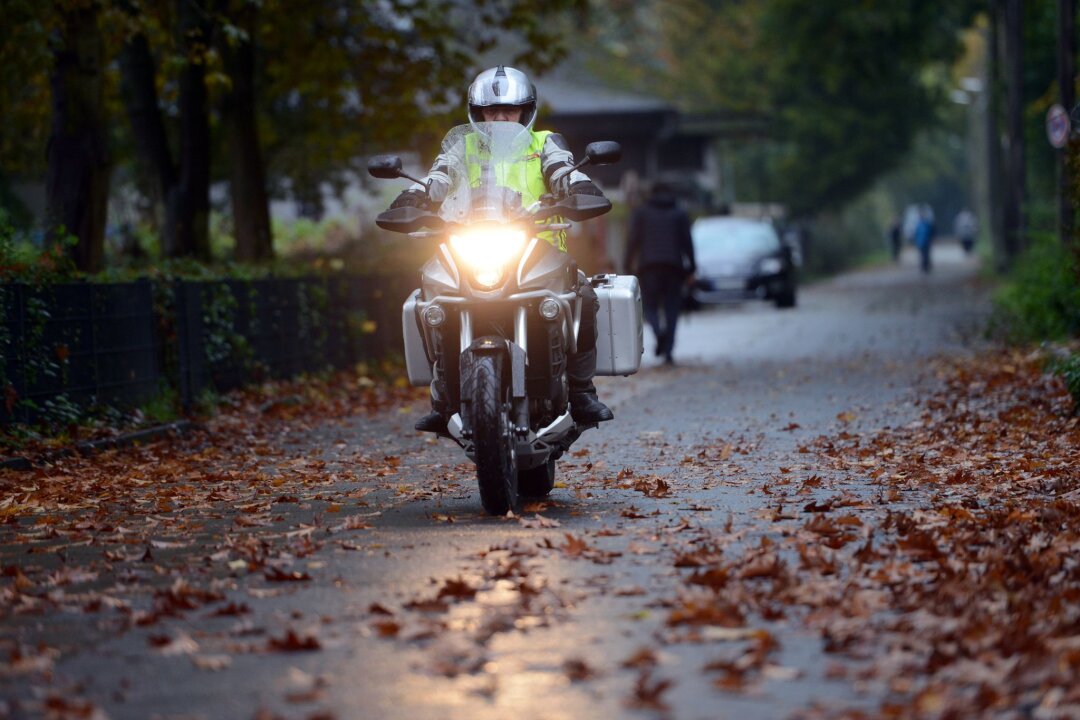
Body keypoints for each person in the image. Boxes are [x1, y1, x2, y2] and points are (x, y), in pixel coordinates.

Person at [388, 65, 614, 433]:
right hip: (470, 243)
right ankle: (443, 395)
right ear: (477, 115)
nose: (500, 118)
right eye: (491, 111)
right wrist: (414, 196)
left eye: (509, 110)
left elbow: (564, 171)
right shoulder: (463, 147)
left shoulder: (544, 143)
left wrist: (580, 188)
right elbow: (438, 179)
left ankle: (581, 391)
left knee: (584, 295)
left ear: (526, 112)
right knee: (428, 299)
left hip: (537, 248)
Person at [623, 181, 695, 365]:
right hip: (674, 267)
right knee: (672, 309)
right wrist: (692, 268)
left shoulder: (642, 213)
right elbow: (687, 241)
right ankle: (668, 351)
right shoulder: (679, 213)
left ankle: (658, 332)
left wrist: (627, 264)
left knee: (650, 307)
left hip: (649, 267)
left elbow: (633, 240)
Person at [914, 204, 934, 274]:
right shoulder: (918, 223)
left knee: (926, 255)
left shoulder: (927, 223)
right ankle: (924, 267)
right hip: (920, 242)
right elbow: (916, 233)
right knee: (922, 255)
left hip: (926, 241)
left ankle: (926, 267)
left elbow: (931, 231)